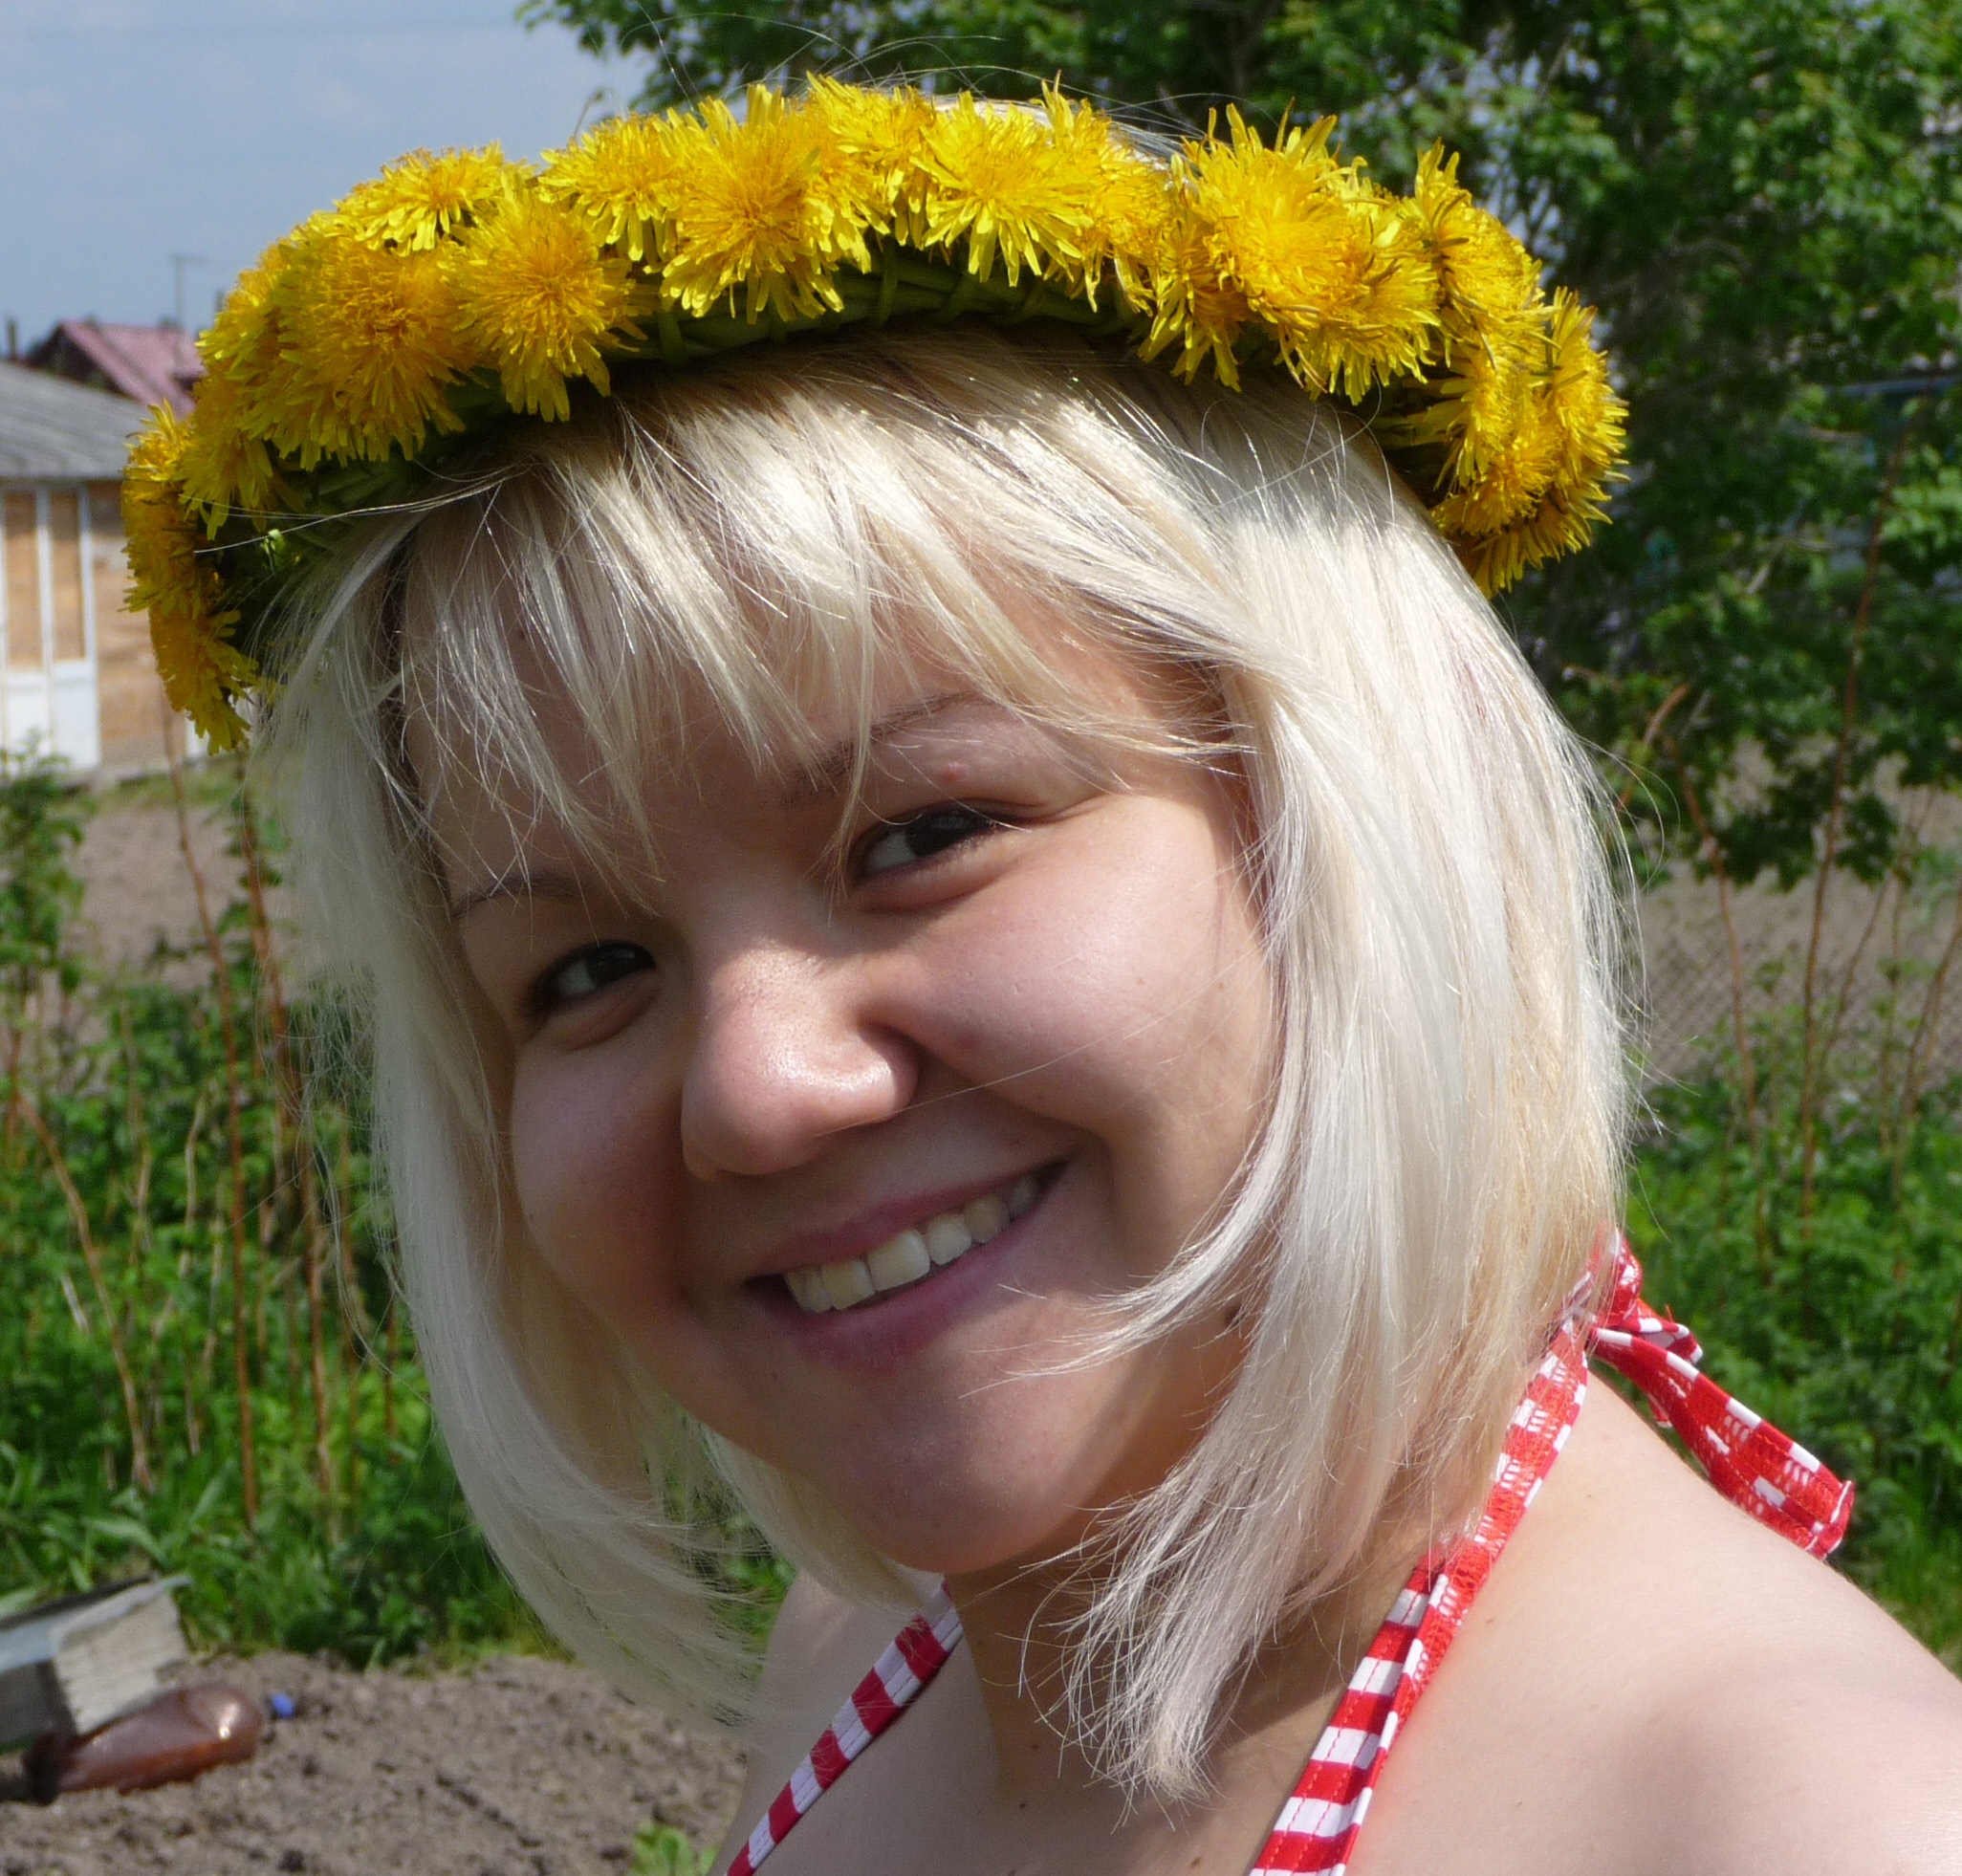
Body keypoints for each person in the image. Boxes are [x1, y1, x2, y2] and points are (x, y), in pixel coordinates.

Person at [127, 82, 1962, 1874]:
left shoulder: (1807, 1823)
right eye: (589, 966)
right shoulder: (866, 1652)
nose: (757, 1085)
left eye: (923, 833)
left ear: (1365, 820)